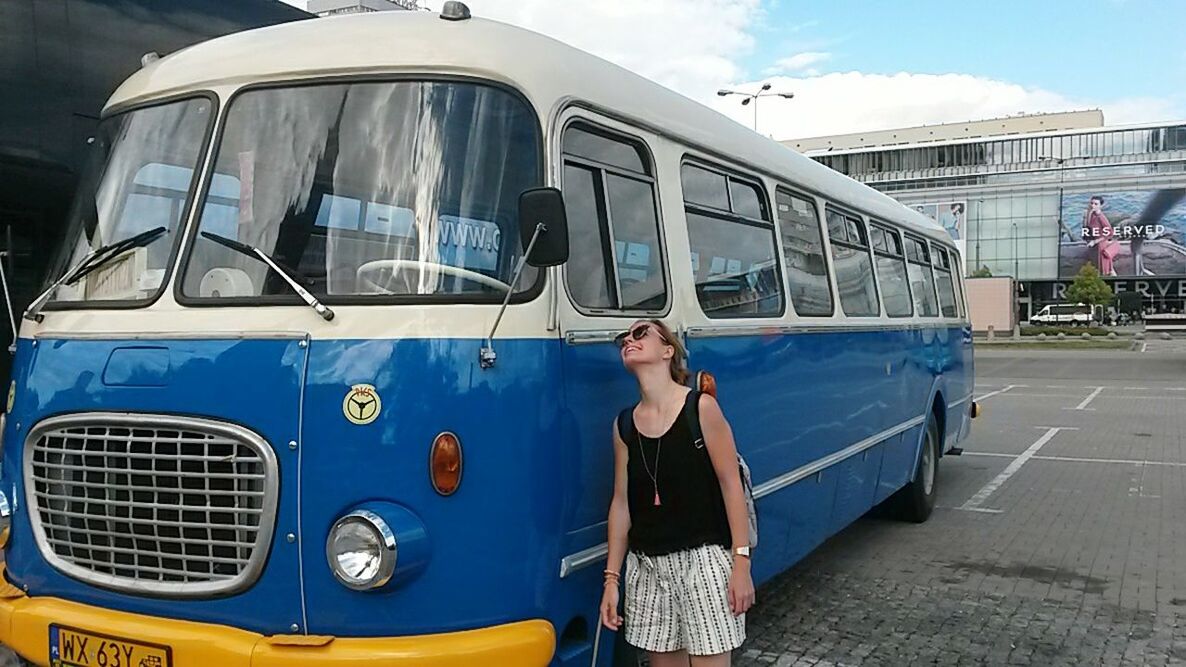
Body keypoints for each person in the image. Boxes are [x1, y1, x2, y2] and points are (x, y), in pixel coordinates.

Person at [600, 319, 754, 666]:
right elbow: (621, 504)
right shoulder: (624, 425)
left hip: (703, 562)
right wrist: (612, 580)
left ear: (667, 351)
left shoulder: (700, 409)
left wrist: (741, 563)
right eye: (624, 338)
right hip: (648, 567)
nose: (629, 340)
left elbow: (732, 485)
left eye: (640, 334)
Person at [1083, 196, 1119, 276]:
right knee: (1107, 269)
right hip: (1094, 246)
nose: (1093, 205)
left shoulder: (1101, 218)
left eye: (1096, 204)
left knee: (1105, 269)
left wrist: (1095, 241)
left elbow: (1110, 233)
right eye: (1092, 203)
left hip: (1100, 246)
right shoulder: (1092, 215)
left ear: (1100, 206)